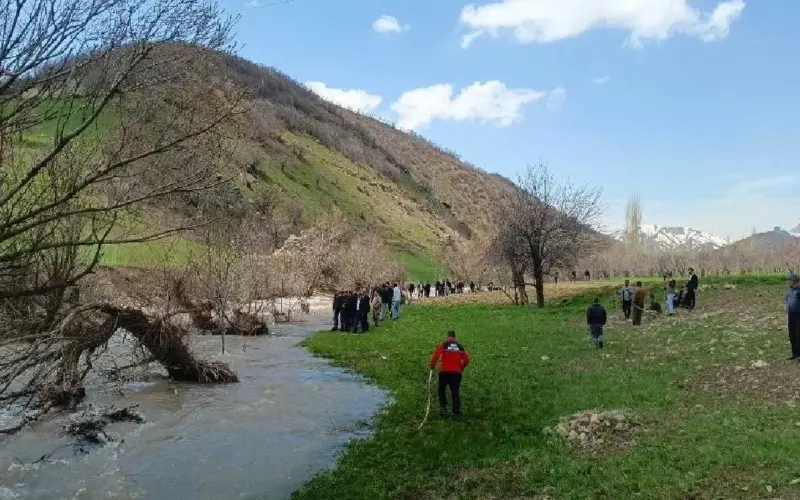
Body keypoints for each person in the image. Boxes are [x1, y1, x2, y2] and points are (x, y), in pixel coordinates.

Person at [429, 330, 471, 419]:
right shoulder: (460, 347)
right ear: (455, 337)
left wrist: (432, 366)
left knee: (441, 390)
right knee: (455, 392)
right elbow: (467, 360)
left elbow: (435, 356)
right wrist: (461, 368)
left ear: (447, 337)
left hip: (444, 372)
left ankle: (443, 409)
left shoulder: (443, 345)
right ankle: (456, 413)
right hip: (456, 374)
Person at [785, 274, 800, 360]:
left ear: (795, 282)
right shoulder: (790, 291)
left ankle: (799, 354)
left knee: (798, 334)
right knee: (792, 334)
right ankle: (795, 353)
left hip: (798, 314)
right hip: (791, 314)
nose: (788, 282)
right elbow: (786, 299)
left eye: (789, 281)